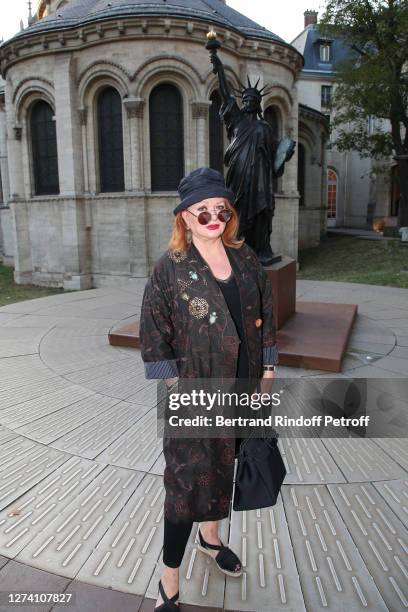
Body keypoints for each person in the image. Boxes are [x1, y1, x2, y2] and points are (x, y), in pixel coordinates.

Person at [139, 167, 279, 611]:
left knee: (226, 467)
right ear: (183, 218)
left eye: (221, 209)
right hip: (197, 395)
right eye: (203, 212)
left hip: (243, 387)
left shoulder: (247, 259)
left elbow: (267, 314)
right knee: (184, 487)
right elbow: (152, 328)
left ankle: (211, 540)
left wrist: (269, 370)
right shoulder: (170, 270)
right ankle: (169, 580)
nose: (214, 218)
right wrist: (175, 383)